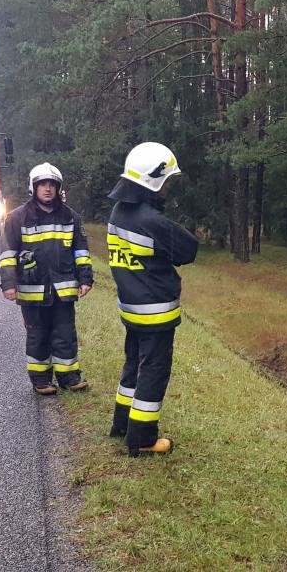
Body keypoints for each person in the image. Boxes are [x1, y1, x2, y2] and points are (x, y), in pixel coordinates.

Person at [106, 142, 198, 457]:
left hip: (130, 308)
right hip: (156, 312)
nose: (168, 187)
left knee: (133, 364)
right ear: (154, 179)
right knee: (154, 370)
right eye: (167, 180)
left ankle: (122, 423)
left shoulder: (119, 212)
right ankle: (143, 438)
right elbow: (188, 250)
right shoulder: (152, 221)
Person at [0, 162, 94, 395]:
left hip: (63, 290)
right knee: (38, 335)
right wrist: (8, 284)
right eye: (42, 184)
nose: (48, 188)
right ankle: (41, 380)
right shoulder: (17, 218)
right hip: (32, 289)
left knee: (65, 335)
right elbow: (8, 254)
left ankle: (69, 377)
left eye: (52, 184)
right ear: (34, 187)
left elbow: (81, 251)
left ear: (59, 187)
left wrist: (85, 279)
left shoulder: (71, 217)